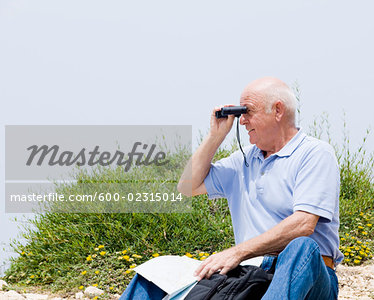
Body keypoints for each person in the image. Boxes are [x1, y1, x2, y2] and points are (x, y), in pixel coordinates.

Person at [121, 77, 342, 300]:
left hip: (309, 278)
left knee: (301, 247)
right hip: (251, 274)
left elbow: (303, 224)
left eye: (248, 111)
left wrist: (238, 252)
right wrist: (215, 135)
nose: (242, 121)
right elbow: (188, 186)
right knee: (157, 271)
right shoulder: (243, 161)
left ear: (277, 110)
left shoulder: (314, 153)